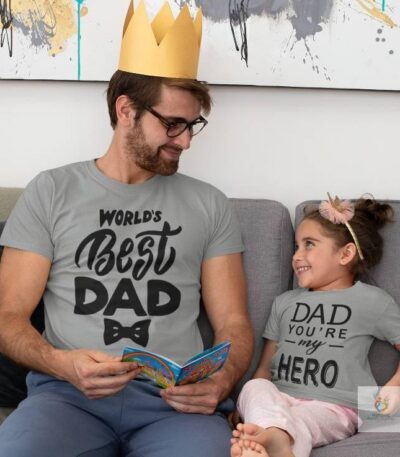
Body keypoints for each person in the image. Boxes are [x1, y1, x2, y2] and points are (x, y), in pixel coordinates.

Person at [0, 3, 254, 456]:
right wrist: (60, 363)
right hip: (67, 398)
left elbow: (233, 323)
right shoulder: (51, 190)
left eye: (192, 125)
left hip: (173, 407)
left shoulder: (209, 204)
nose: (185, 140)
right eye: (172, 124)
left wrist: (223, 380)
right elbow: (8, 317)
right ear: (126, 110)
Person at [231, 195, 400, 457]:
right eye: (296, 246)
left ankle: (271, 441)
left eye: (309, 244)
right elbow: (264, 369)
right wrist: (246, 406)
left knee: (302, 422)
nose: (296, 256)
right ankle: (273, 441)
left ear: (345, 254)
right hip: (280, 399)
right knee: (254, 388)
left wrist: (394, 386)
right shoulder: (284, 302)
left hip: (337, 406)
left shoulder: (372, 300)